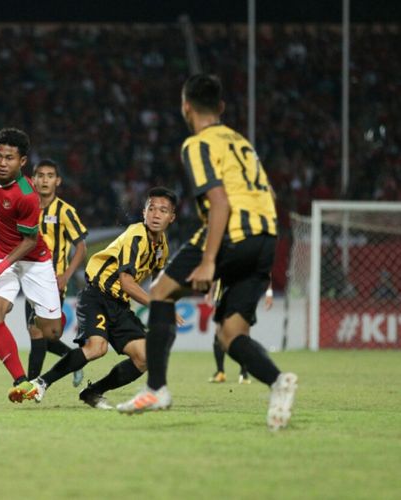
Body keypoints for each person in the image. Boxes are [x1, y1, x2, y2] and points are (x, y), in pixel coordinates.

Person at [117, 74, 298, 431]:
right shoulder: (242, 143)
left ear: (186, 106)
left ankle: (156, 389)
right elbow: (267, 195)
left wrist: (210, 260)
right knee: (230, 335)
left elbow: (219, 201)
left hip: (232, 231)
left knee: (161, 293)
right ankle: (279, 382)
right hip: (267, 237)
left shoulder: (198, 144)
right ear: (221, 107)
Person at [27, 188, 176, 409]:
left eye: (163, 211)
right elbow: (127, 282)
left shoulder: (162, 246)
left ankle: (93, 392)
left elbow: (157, 283)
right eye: (151, 209)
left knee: (144, 358)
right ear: (144, 212)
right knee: (97, 348)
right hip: (97, 295)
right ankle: (41, 382)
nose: (156, 215)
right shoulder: (136, 235)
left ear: (171, 217)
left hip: (120, 304)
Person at [0, 127, 63, 403]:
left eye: (9, 158)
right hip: (3, 255)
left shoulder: (27, 195)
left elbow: (29, 241)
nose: (1, 163)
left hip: (34, 260)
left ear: (22, 162)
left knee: (52, 332)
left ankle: (45, 317)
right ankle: (21, 382)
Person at [24, 159, 89, 387]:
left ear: (58, 181)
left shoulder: (65, 211)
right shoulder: (27, 207)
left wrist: (66, 276)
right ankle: (74, 359)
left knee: (36, 332)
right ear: (33, 180)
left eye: (50, 175)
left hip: (52, 281)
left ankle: (30, 386)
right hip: (29, 279)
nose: (44, 180)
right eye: (40, 175)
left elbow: (81, 247)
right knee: (45, 338)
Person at [208, 279, 273, 384]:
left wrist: (269, 292)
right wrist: (213, 296)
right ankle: (223, 372)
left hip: (243, 297)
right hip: (231, 296)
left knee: (240, 335)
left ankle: (242, 373)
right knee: (221, 334)